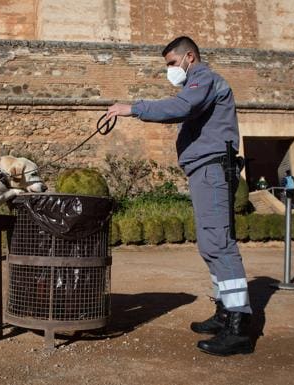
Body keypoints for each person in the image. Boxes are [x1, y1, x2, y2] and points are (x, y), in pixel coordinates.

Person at [106, 36, 253, 356]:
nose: (170, 70)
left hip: (213, 168)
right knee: (210, 244)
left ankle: (238, 324)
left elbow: (182, 106)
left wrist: (132, 108)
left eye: (172, 63)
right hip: (205, 169)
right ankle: (226, 311)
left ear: (190, 57)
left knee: (219, 242)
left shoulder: (205, 79)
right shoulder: (199, 82)